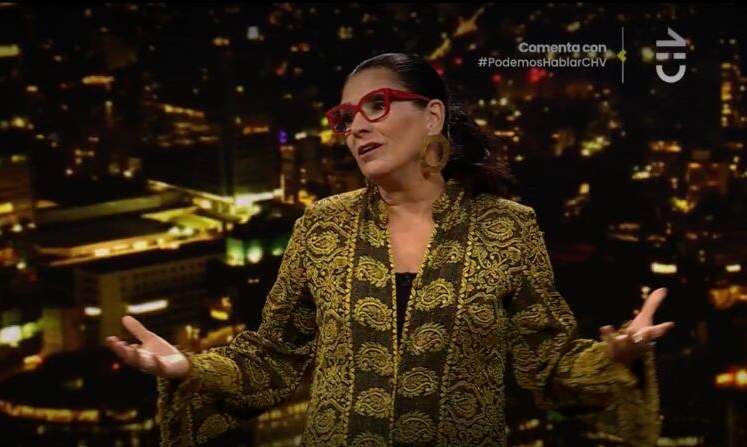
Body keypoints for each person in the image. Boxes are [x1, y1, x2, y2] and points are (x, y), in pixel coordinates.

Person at [106, 52, 674, 446]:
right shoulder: (322, 227)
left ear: (432, 116)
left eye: (375, 105)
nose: (355, 127)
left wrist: (616, 356)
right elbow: (274, 357)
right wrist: (189, 367)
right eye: (344, 118)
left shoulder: (507, 228)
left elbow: (546, 366)